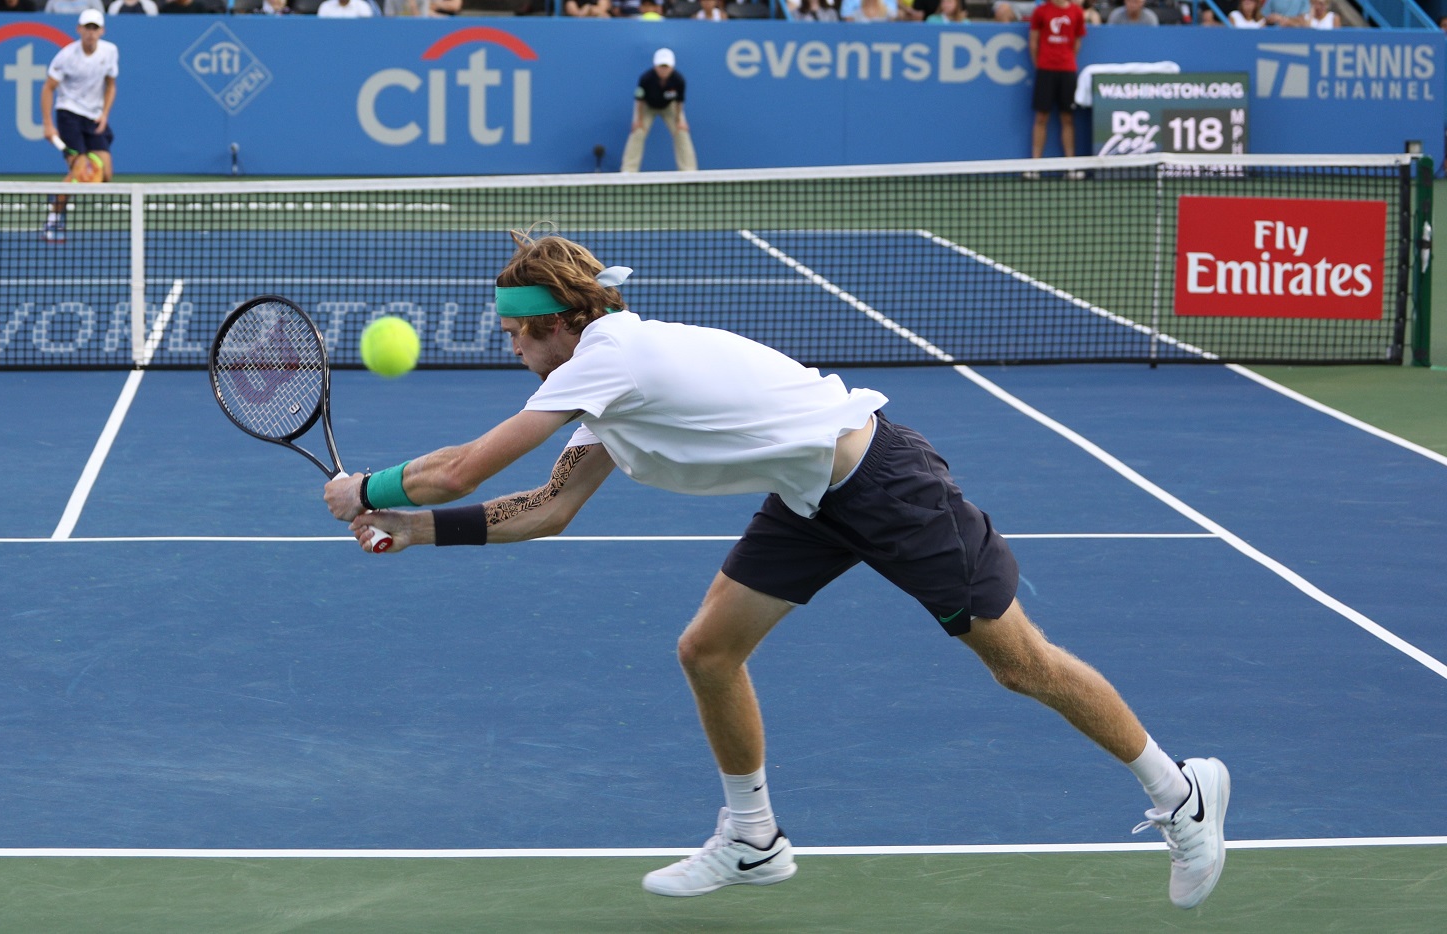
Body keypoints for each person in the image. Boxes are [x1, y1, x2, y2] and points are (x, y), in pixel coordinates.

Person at [322, 230, 1231, 910]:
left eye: (518, 338)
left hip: (884, 483)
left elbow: (468, 467)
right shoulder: (600, 382)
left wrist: (371, 485)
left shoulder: (612, 357)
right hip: (810, 497)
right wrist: (413, 532)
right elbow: (549, 510)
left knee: (1018, 664)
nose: (511, 352)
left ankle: (1179, 792)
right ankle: (753, 835)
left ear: (559, 325)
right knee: (708, 649)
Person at [39, 8, 118, 243]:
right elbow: (48, 88)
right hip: (69, 115)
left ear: (101, 31)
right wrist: (48, 124)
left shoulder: (110, 51)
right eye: (87, 28)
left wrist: (104, 114)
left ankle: (59, 199)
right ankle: (53, 220)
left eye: (95, 28)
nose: (91, 33)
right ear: (79, 29)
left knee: (106, 174)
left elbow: (111, 85)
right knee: (80, 171)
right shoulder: (66, 56)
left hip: (93, 117)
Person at [1028, 0, 1084, 175]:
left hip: (1067, 71)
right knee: (1041, 117)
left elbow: (1076, 43)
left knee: (1067, 118)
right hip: (1045, 70)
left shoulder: (1077, 12)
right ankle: (1035, 166)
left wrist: (1066, 60)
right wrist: (1042, 64)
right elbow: (1033, 43)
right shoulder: (1041, 11)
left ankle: (1070, 166)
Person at [620, 48, 697, 174]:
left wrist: (679, 121)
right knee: (637, 132)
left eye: (666, 67)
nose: (663, 70)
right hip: (647, 107)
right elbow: (639, 100)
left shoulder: (679, 80)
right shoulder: (646, 79)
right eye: (661, 66)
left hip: (669, 107)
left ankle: (689, 171)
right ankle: (628, 170)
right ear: (655, 66)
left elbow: (679, 102)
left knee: (682, 132)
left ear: (672, 67)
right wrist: (638, 120)